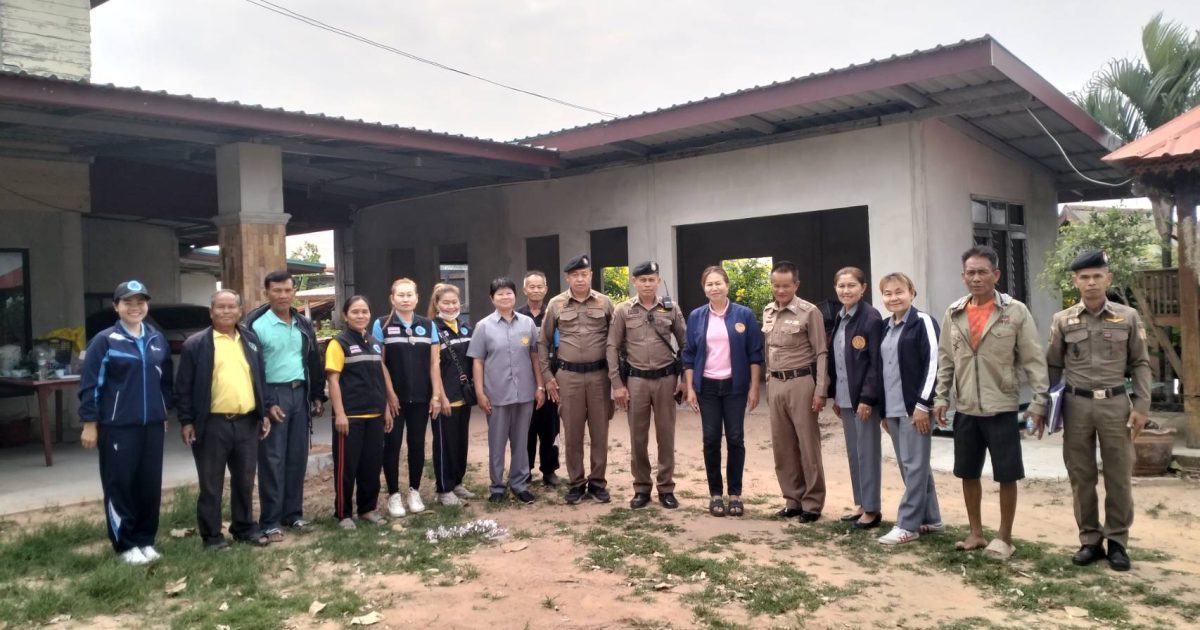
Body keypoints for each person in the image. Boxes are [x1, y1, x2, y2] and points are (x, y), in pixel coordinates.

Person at [933, 245, 1049, 561]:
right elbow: (946, 359)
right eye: (970, 272)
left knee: (1006, 474)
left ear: (996, 275)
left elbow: (1033, 360)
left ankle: (1004, 537)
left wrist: (1039, 403)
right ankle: (975, 533)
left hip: (1002, 407)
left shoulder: (1015, 312)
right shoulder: (954, 312)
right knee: (967, 472)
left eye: (983, 272)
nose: (976, 278)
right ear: (963, 276)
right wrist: (941, 396)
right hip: (966, 408)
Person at [1046, 249, 1152, 571]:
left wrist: (1142, 405)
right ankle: (1090, 540)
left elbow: (1140, 362)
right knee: (1081, 475)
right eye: (1084, 277)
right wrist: (1051, 407)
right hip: (1076, 406)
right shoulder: (1062, 320)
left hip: (1116, 405)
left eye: (1097, 276)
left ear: (1109, 278)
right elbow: (1053, 365)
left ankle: (1117, 541)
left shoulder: (1128, 317)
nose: (1091, 282)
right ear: (1075, 282)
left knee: (1118, 475)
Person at [78, 280, 173, 565]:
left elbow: (164, 382)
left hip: (152, 425)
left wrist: (162, 412)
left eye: (140, 302)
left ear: (147, 305)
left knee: (149, 484)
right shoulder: (104, 341)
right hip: (117, 426)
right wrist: (89, 422)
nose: (135, 307)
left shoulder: (157, 339)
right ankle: (125, 544)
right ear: (116, 307)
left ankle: (145, 540)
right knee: (120, 484)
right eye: (127, 302)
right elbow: (90, 385)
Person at [176, 289, 276, 550]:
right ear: (211, 312)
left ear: (240, 311)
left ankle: (244, 528)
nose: (226, 311)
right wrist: (186, 421)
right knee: (211, 484)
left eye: (232, 307)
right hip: (212, 425)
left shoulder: (250, 340)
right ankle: (212, 536)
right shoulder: (196, 344)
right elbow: (183, 387)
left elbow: (260, 378)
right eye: (220, 307)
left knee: (245, 480)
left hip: (247, 423)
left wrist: (264, 412)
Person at [246, 270, 327, 542]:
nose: (283, 295)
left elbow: (313, 360)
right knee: (272, 459)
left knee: (296, 457)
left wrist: (317, 395)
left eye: (287, 290)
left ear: (294, 292)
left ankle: (293, 514)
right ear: (266, 292)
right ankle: (270, 521)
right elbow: (252, 370)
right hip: (273, 394)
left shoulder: (303, 323)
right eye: (277, 290)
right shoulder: (256, 325)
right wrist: (266, 404)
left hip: (299, 394)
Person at [682, 265, 763, 517]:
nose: (714, 288)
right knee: (711, 439)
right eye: (709, 284)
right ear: (704, 289)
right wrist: (690, 388)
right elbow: (689, 354)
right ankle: (715, 494)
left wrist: (754, 388)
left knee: (736, 439)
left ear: (727, 285)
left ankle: (735, 494)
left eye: (718, 283)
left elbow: (755, 354)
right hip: (706, 387)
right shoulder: (696, 316)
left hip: (735, 387)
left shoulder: (744, 314)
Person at [607, 261, 687, 510]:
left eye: (652, 280)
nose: (647, 284)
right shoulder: (623, 310)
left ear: (658, 281)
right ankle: (641, 488)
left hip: (666, 380)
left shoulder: (670, 308)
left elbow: (686, 344)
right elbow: (612, 346)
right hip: (637, 381)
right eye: (643, 280)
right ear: (634, 282)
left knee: (666, 436)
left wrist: (685, 380)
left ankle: (666, 488)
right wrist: (617, 384)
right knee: (638, 437)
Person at [538, 254, 616, 505]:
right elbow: (543, 342)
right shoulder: (556, 304)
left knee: (599, 431)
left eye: (584, 274)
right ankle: (576, 483)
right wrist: (547, 376)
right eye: (575, 275)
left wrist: (617, 379)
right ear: (567, 278)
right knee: (572, 433)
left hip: (599, 376)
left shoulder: (605, 303)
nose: (580, 279)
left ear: (591, 275)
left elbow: (617, 340)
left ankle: (597, 482)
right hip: (568, 377)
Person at [876, 273, 943, 545]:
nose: (893, 298)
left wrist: (923, 404)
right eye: (888, 293)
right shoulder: (885, 326)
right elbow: (882, 369)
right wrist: (883, 411)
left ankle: (908, 524)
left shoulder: (923, 322)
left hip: (915, 409)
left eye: (899, 292)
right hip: (893, 408)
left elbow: (934, 364)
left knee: (914, 465)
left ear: (912, 292)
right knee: (912, 466)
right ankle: (931, 518)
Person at [468, 277, 546, 504]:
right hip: (497, 394)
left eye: (508, 293)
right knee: (497, 442)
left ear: (515, 295)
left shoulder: (527, 324)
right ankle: (497, 487)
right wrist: (480, 392)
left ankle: (520, 484)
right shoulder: (483, 326)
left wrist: (540, 386)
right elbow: (478, 361)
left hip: (525, 393)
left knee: (521, 441)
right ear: (492, 298)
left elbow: (534, 356)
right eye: (500, 294)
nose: (505, 297)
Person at [763, 261, 829, 522]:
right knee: (783, 446)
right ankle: (792, 499)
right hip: (776, 383)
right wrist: (768, 379)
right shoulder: (768, 311)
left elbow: (821, 352)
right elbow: (768, 348)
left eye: (786, 286)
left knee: (807, 445)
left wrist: (820, 390)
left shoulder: (809, 312)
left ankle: (812, 503)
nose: (780, 290)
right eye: (776, 285)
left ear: (796, 285)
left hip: (801, 383)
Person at [326, 295, 395, 529]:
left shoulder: (375, 342)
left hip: (375, 416)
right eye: (355, 312)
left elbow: (378, 378)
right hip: (350, 417)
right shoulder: (338, 343)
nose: (360, 315)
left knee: (371, 466)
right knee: (347, 467)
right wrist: (340, 413)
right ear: (345, 316)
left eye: (364, 311)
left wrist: (385, 409)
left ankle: (367, 509)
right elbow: (333, 381)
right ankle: (343, 514)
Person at [371, 278, 436, 518]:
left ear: (417, 298)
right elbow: (379, 362)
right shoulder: (381, 324)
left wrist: (436, 395)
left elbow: (434, 363)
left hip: (420, 397)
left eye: (410, 295)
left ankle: (414, 491)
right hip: (394, 399)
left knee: (417, 444)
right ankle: (394, 495)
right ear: (392, 298)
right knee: (392, 445)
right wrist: (389, 394)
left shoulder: (428, 325)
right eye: (401, 295)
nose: (406, 299)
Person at [826, 267, 884, 529]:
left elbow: (875, 363)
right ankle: (861, 504)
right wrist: (837, 397)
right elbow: (839, 361)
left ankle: (872, 509)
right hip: (845, 397)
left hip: (863, 400)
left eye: (851, 286)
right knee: (854, 452)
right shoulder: (841, 317)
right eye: (841, 286)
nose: (846, 291)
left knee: (867, 453)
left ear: (863, 288)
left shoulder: (870, 318)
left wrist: (867, 398)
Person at [429, 283, 476, 505]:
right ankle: (444, 489)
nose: (451, 306)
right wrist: (441, 396)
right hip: (445, 398)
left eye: (454, 302)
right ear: (437, 304)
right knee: (444, 445)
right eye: (446, 303)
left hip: (463, 397)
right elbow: (433, 366)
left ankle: (457, 483)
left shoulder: (466, 328)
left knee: (460, 443)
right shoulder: (433, 329)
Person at [517, 271, 561, 487]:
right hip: (525, 380)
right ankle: (524, 470)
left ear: (546, 289)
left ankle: (549, 470)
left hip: (551, 379)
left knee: (550, 427)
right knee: (526, 428)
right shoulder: (517, 316)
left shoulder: (554, 314)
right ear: (524, 290)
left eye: (539, 286)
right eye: (531, 287)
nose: (535, 290)